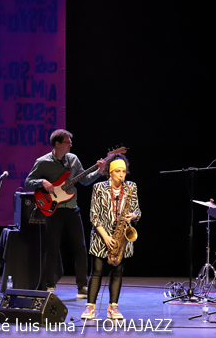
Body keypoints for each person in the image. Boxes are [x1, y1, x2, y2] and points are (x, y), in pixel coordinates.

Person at [25, 129, 105, 298]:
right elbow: (28, 181)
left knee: (80, 247)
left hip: (72, 209)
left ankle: (82, 286)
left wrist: (99, 171)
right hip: (53, 210)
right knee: (52, 248)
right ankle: (50, 285)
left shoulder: (73, 160)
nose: (71, 145)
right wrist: (42, 181)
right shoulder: (43, 162)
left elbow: (84, 180)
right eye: (68, 142)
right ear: (58, 144)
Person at [81, 153, 140, 320]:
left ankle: (113, 307)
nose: (121, 175)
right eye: (117, 171)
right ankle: (90, 307)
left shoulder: (131, 187)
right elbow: (94, 216)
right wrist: (106, 238)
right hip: (101, 236)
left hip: (121, 237)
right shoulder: (99, 188)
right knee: (97, 271)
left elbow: (137, 210)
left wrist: (133, 216)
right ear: (110, 172)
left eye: (124, 171)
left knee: (117, 272)